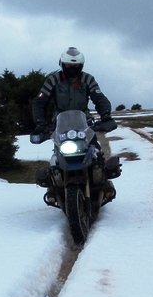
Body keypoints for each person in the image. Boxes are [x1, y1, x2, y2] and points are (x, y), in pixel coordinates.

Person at [31, 47, 118, 205]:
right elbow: (39, 102)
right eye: (69, 66)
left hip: (84, 121)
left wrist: (105, 115)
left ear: (81, 66)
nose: (72, 69)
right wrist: (40, 124)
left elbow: (99, 98)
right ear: (62, 64)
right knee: (57, 156)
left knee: (95, 151)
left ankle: (104, 183)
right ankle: (53, 188)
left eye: (76, 66)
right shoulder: (53, 80)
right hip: (60, 123)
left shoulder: (87, 79)